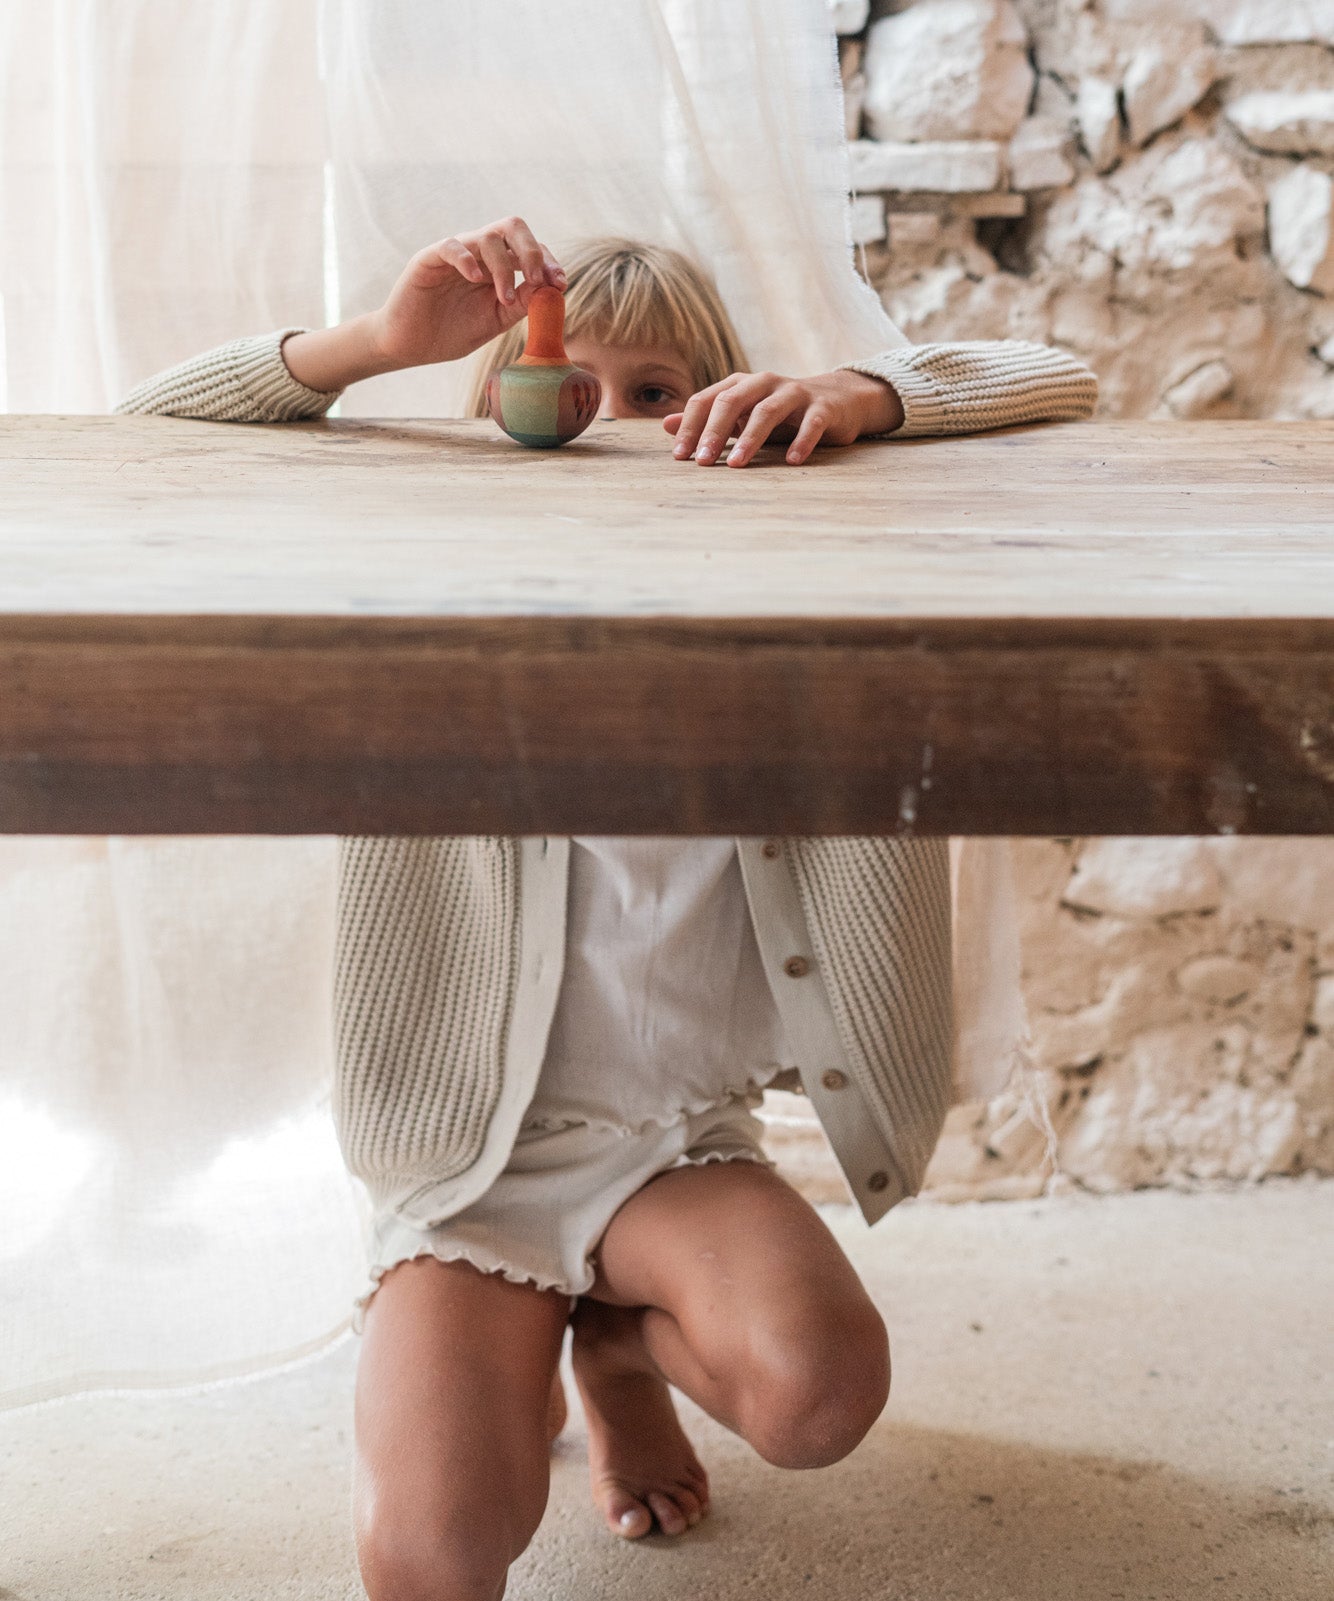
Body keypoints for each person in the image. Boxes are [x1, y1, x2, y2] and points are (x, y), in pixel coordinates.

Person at [116, 215, 1097, 1601]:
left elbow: (1056, 383)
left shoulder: (789, 605)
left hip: (671, 1152)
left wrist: (863, 394)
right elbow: (141, 435)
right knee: (432, 1555)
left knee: (819, 1397)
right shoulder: (416, 605)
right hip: (466, 1174)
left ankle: (618, 1345)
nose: (618, 424)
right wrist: (378, 347)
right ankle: (532, 1353)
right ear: (509, 416)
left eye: (659, 393)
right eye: (575, 386)